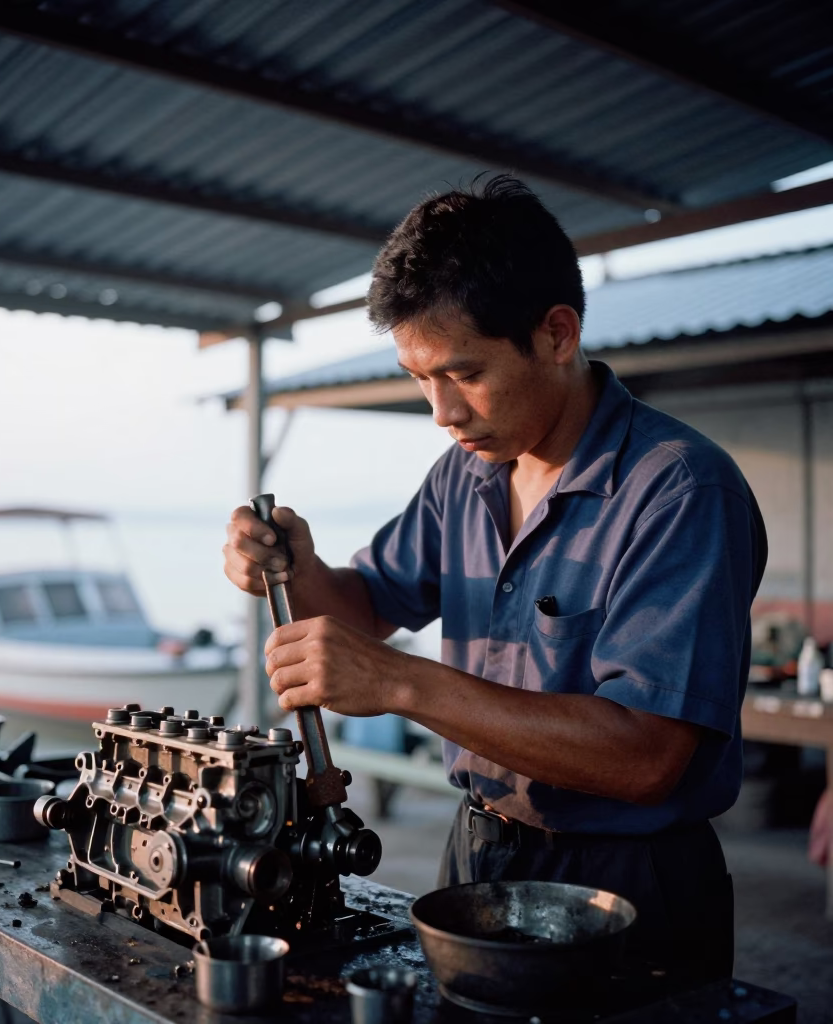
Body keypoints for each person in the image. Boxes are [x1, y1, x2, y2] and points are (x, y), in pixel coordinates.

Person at [222, 175, 767, 986]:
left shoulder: (679, 489)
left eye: (465, 373)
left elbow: (648, 756)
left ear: (557, 333)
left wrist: (401, 683)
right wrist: (292, 569)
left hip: (629, 882)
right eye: (420, 378)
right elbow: (366, 607)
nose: (441, 412)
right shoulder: (464, 476)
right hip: (478, 851)